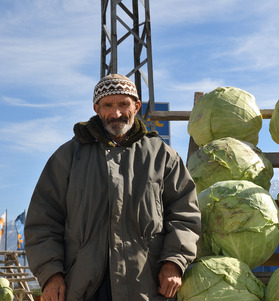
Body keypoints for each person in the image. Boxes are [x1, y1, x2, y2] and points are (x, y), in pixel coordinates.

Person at [24, 74, 201, 301]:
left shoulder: (162, 156)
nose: (116, 113)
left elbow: (185, 213)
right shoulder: (68, 157)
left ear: (136, 106)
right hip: (83, 288)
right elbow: (43, 222)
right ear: (97, 108)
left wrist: (174, 262)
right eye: (108, 105)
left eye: (123, 104)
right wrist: (51, 274)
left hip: (146, 287)